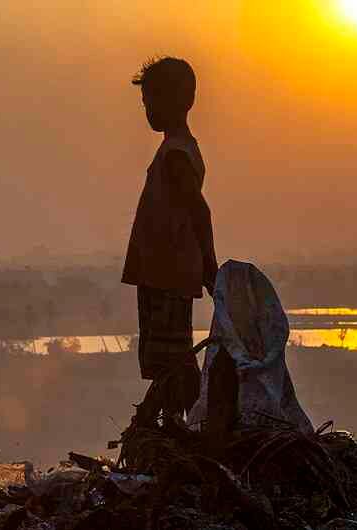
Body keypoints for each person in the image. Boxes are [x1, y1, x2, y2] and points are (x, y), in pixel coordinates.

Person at [122, 57, 218, 424]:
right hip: (162, 273)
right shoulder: (176, 149)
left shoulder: (177, 153)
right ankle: (176, 421)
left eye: (151, 100)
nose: (146, 108)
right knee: (170, 355)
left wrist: (209, 266)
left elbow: (199, 211)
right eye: (145, 100)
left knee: (171, 358)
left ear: (179, 101)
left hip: (167, 275)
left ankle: (184, 422)